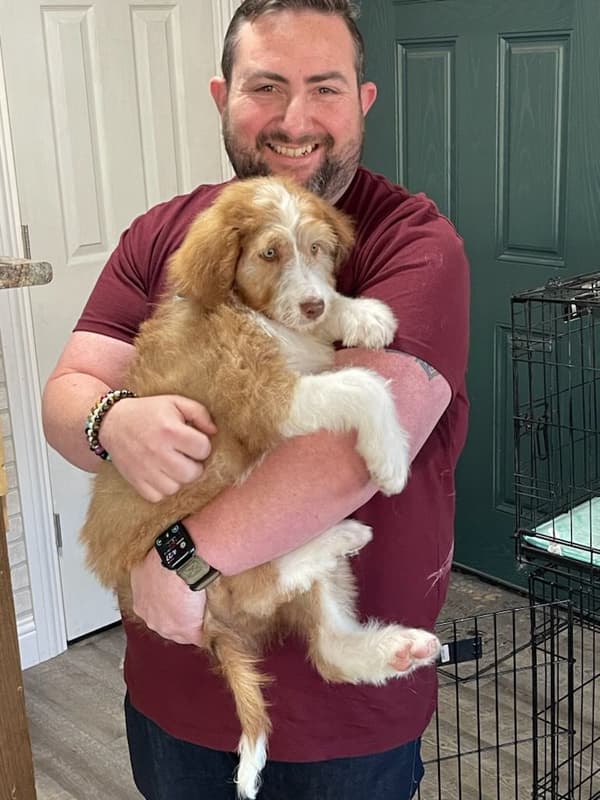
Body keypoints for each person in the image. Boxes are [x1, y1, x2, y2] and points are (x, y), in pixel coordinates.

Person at [42, 1, 470, 798]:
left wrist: (183, 560)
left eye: (325, 89)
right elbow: (68, 395)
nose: (295, 119)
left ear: (363, 101)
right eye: (266, 86)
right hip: (173, 692)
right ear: (222, 96)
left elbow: (352, 452)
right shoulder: (162, 235)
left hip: (342, 730)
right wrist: (112, 419)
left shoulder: (412, 240)